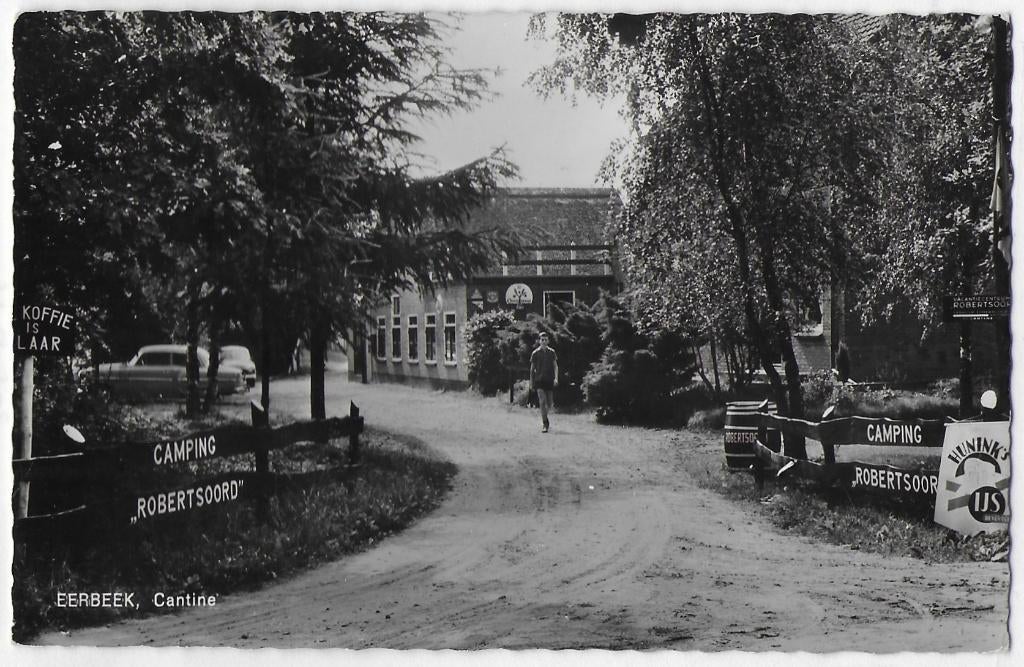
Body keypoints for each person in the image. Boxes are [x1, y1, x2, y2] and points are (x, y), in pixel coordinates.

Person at [529, 332, 559, 432]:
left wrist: (556, 378)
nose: (544, 341)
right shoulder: (535, 353)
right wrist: (531, 382)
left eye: (546, 340)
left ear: (548, 341)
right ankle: (545, 423)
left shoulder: (552, 352)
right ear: (539, 341)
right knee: (542, 401)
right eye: (542, 340)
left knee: (549, 404)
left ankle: (545, 417)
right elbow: (532, 369)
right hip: (539, 380)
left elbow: (555, 366)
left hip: (549, 380)